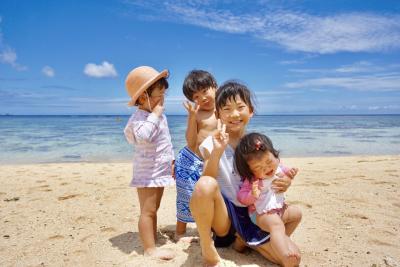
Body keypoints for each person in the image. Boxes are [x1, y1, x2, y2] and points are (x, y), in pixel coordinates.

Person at [190, 81, 301, 267]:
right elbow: (206, 180)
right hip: (224, 218)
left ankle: (247, 241)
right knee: (205, 185)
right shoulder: (211, 142)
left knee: (292, 260)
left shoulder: (257, 144)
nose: (234, 114)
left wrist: (286, 181)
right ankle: (207, 247)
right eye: (226, 109)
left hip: (255, 213)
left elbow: (273, 173)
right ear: (218, 114)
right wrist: (218, 151)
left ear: (250, 111)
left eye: (240, 107)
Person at [123, 66, 175, 260]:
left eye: (164, 95)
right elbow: (144, 136)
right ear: (143, 97)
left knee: (155, 209)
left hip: (159, 170)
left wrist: (171, 162)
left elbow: (165, 142)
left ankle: (151, 239)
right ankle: (150, 249)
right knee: (147, 211)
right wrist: (155, 114)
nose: (162, 100)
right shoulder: (139, 118)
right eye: (158, 96)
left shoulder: (157, 115)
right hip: (146, 173)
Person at [236, 132, 302, 266]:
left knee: (296, 213)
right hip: (260, 214)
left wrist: (290, 174)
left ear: (276, 156)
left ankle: (281, 240)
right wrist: (253, 195)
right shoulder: (252, 181)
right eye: (258, 168)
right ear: (250, 172)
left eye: (268, 162)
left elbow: (286, 174)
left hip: (279, 209)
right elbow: (241, 197)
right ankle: (284, 253)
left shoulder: (279, 168)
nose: (266, 168)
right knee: (276, 225)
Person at [175, 70, 218, 240]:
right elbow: (191, 141)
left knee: (210, 196)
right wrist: (192, 117)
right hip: (190, 160)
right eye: (196, 97)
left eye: (205, 91)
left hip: (211, 162)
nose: (202, 98)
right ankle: (179, 231)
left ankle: (211, 229)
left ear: (215, 86)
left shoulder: (224, 109)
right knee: (186, 196)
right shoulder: (197, 114)